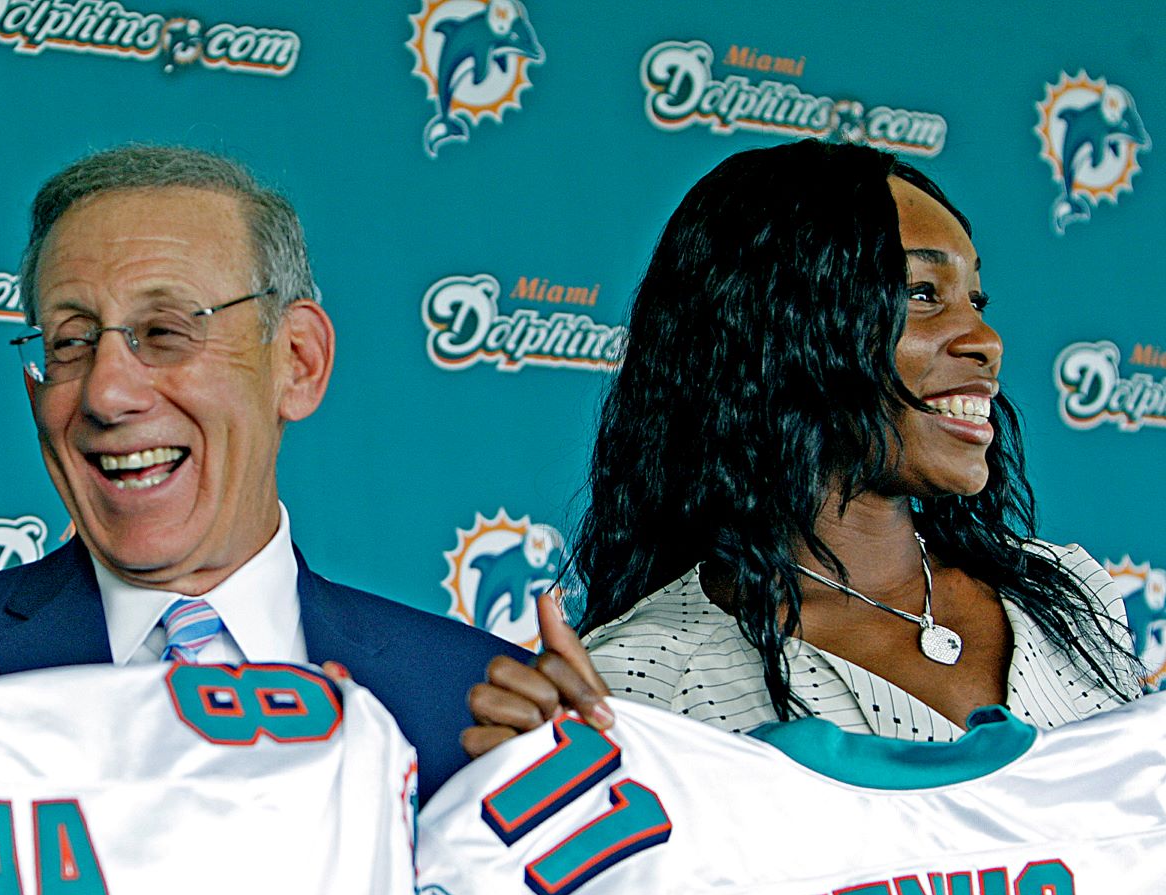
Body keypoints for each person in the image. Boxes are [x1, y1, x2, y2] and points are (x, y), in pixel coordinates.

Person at [0, 145, 518, 804]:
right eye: (70, 343)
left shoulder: (483, 706)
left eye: (164, 332)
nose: (105, 393)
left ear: (298, 362)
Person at [464, 139, 1139, 751]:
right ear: (778, 333)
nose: (985, 342)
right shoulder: (650, 680)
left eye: (977, 299)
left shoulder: (1068, 595)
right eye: (923, 293)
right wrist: (545, 785)